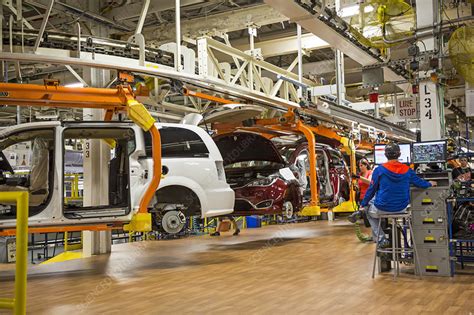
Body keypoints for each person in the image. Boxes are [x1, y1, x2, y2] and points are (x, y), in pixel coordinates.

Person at [360, 143, 437, 246]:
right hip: (401, 208)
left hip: (382, 208)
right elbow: (420, 183)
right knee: (373, 201)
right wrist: (429, 183)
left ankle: (381, 239)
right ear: (399, 154)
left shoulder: (379, 170)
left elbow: (371, 189)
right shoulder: (407, 170)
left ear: (385, 155)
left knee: (367, 211)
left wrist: (363, 204)